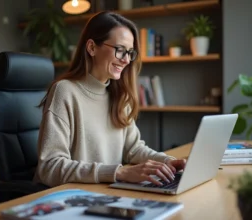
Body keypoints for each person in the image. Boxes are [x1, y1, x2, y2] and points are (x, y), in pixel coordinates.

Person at [34, 11, 186, 188]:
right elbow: (49, 167)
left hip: (106, 192)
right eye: (120, 50)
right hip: (71, 197)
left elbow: (134, 149)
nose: (126, 60)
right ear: (91, 48)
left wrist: (168, 162)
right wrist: (119, 173)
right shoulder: (65, 91)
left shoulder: (119, 94)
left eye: (130, 53)